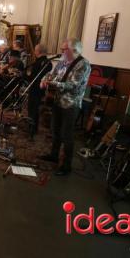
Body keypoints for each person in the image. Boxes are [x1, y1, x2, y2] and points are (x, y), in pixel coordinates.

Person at [39, 38, 91, 176]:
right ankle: (54, 155)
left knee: (67, 135)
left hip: (71, 104)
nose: (61, 51)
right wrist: (44, 79)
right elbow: (51, 74)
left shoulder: (83, 64)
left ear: (74, 50)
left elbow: (73, 85)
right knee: (55, 130)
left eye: (64, 49)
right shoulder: (62, 62)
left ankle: (66, 166)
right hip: (57, 101)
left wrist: (52, 84)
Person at [26, 44, 52, 137]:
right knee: (35, 109)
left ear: (38, 51)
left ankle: (31, 130)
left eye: (35, 50)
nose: (34, 52)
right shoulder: (48, 63)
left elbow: (32, 76)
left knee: (32, 109)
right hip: (40, 89)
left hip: (35, 88)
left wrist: (25, 75)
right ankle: (33, 128)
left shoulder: (40, 63)